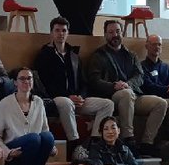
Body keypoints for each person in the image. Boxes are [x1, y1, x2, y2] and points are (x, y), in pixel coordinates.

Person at [86, 19, 169, 156]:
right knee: (126, 94)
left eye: (118, 31)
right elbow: (94, 81)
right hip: (112, 96)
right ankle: (128, 138)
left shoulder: (131, 55)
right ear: (105, 35)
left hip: (133, 94)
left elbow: (140, 76)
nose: (115, 34)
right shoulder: (98, 56)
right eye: (111, 32)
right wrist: (114, 85)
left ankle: (146, 143)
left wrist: (129, 84)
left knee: (161, 103)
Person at [33, 16, 114, 144]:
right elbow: (43, 84)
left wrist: (80, 97)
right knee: (66, 102)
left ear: (68, 33)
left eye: (64, 30)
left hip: (76, 99)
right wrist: (68, 96)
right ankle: (74, 142)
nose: (61, 34)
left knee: (108, 104)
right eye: (57, 30)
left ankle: (95, 141)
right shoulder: (44, 55)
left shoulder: (73, 55)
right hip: (56, 98)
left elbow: (83, 81)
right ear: (52, 33)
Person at [0, 67, 55, 165]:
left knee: (47, 137)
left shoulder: (39, 102)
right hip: (15, 148)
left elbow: (44, 129)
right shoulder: (5, 103)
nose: (26, 81)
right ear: (15, 82)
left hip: (34, 146)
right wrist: (7, 152)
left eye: (29, 78)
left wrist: (51, 146)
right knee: (33, 138)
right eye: (22, 79)